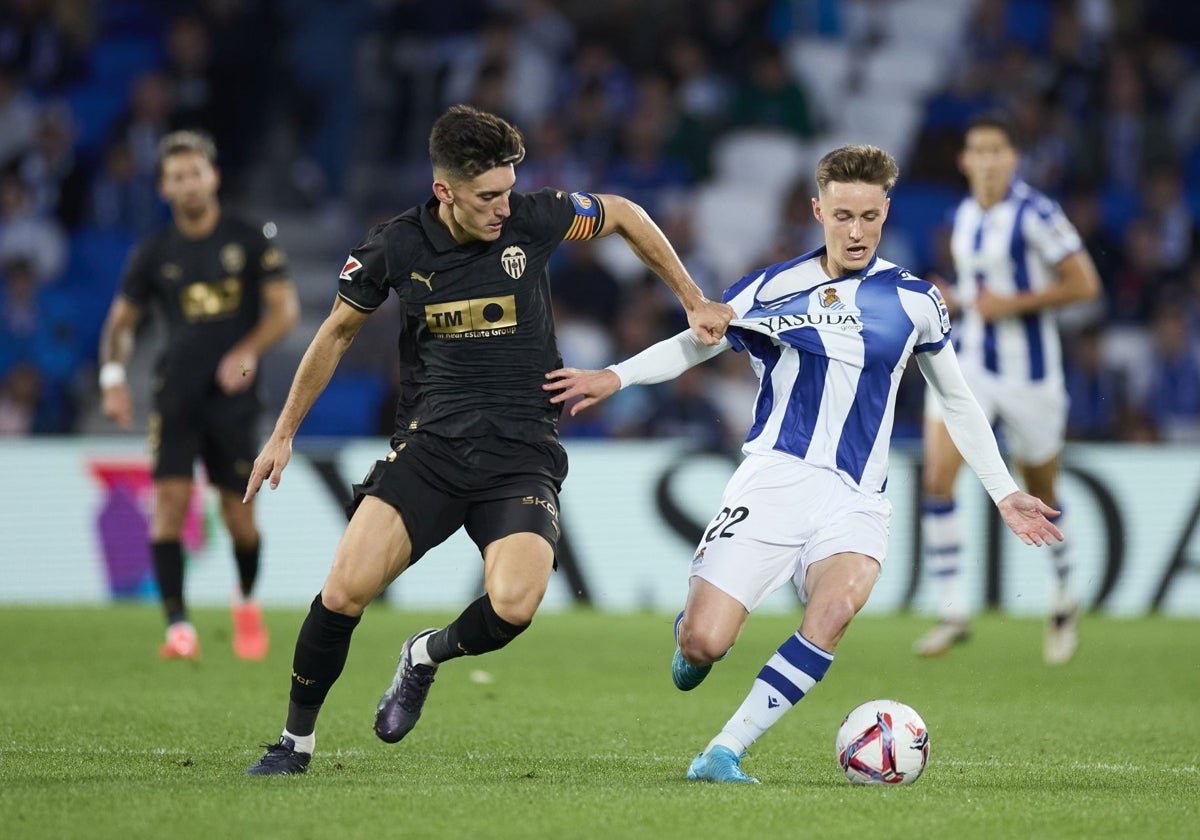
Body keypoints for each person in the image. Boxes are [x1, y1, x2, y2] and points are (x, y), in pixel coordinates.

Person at [544, 144, 1063, 784]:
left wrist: (1004, 490)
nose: (856, 231)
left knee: (836, 610)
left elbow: (956, 398)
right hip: (773, 481)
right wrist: (615, 377)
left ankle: (722, 751)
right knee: (706, 643)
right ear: (818, 209)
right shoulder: (773, 286)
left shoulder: (917, 301)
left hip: (857, 497)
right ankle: (692, 633)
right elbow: (699, 341)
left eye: (869, 216)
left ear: (885, 211)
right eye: (842, 215)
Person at [242, 104, 732, 776]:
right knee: (344, 591)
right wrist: (283, 432)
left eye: (508, 190)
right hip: (431, 451)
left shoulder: (534, 219)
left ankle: (424, 655)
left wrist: (692, 297)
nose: (504, 207)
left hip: (520, 456)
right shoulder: (395, 247)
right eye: (487, 197)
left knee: (515, 603)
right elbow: (335, 334)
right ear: (445, 191)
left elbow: (619, 212)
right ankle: (293, 743)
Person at [98, 130, 299, 661]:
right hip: (176, 393)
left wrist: (248, 350)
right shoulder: (154, 253)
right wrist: (114, 378)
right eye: (177, 176)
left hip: (233, 400)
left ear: (213, 177)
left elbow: (285, 310)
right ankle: (178, 628)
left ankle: (247, 601)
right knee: (169, 502)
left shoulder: (249, 238)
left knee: (240, 517)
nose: (188, 184)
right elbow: (121, 323)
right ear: (164, 187)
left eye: (196, 173)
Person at [912, 113, 1101, 664]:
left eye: (998, 150)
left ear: (1013, 159)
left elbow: (1085, 284)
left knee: (1042, 489)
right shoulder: (963, 215)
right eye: (979, 150)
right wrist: (955, 298)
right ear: (965, 161)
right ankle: (952, 610)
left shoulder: (1039, 213)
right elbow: (980, 293)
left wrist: (1010, 305)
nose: (988, 160)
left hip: (1031, 376)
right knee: (938, 478)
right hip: (969, 364)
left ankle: (1064, 599)